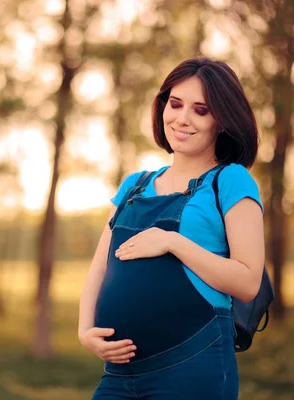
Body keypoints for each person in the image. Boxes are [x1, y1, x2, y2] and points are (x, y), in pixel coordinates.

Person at [77, 57, 265, 400]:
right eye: (175, 104)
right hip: (118, 377)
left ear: (222, 120)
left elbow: (248, 282)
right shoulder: (134, 186)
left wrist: (173, 243)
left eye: (200, 110)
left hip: (192, 369)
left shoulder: (231, 180)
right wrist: (84, 329)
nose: (182, 118)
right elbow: (99, 268)